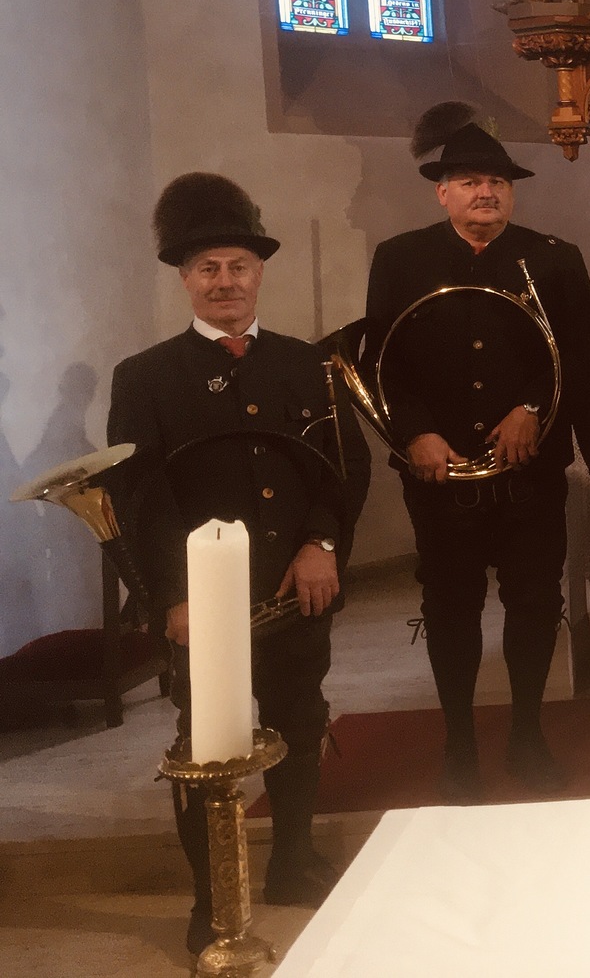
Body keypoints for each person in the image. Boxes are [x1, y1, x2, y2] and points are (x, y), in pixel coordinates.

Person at [107, 174, 370, 956]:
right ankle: (212, 897)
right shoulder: (145, 376)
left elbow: (344, 467)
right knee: (207, 748)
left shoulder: (308, 365)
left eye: (239, 267)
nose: (225, 281)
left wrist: (322, 544)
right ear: (185, 279)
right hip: (202, 609)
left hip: (296, 592)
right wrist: (171, 598)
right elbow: (138, 498)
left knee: (300, 721)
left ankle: (293, 861)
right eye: (208, 269)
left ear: (260, 274)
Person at [363, 103, 590, 801]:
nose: (486, 192)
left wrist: (532, 408)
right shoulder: (400, 258)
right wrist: (415, 433)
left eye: (498, 181)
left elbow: (581, 358)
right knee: (450, 608)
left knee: (534, 604)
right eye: (470, 182)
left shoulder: (554, 258)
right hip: (438, 475)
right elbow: (382, 363)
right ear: (442, 192)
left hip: (529, 473)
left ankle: (527, 733)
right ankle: (459, 744)